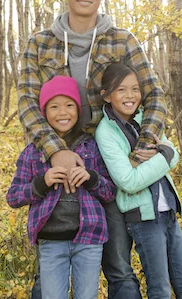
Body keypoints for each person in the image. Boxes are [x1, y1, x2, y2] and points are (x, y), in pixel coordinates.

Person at [18, 0, 167, 299]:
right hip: (54, 161)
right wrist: (56, 152)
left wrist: (143, 142)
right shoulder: (40, 44)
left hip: (107, 164)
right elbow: (27, 102)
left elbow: (153, 92)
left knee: (118, 266)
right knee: (49, 271)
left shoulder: (122, 40)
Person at [95, 63, 182, 299]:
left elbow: (174, 153)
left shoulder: (145, 119)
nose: (130, 96)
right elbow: (129, 182)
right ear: (107, 95)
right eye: (121, 90)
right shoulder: (106, 132)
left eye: (134, 89)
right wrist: (164, 156)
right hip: (143, 219)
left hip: (169, 211)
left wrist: (165, 154)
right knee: (160, 288)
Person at [7, 76, 115, 299]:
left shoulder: (91, 146)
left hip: (89, 239)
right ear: (44, 112)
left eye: (69, 105)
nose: (62, 112)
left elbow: (110, 191)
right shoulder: (33, 152)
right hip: (51, 241)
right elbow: (13, 197)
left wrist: (91, 178)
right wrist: (42, 183)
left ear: (78, 109)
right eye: (54, 107)